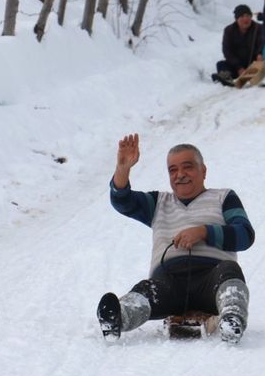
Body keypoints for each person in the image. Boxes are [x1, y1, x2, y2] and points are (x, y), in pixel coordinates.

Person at [97, 134, 255, 344]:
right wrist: (123, 169)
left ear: (203, 171)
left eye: (187, 167)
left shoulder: (223, 197)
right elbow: (122, 201)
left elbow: (245, 235)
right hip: (168, 281)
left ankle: (232, 318)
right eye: (173, 170)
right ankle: (118, 317)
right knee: (147, 289)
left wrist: (204, 232)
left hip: (212, 279)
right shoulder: (158, 202)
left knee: (229, 270)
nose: (180, 174)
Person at [212, 4, 264, 87]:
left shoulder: (259, 28)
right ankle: (226, 77)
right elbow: (227, 51)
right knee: (221, 64)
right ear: (236, 19)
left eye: (247, 16)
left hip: (254, 63)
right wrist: (239, 67)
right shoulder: (229, 30)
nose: (245, 19)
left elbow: (262, 43)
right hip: (237, 65)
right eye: (242, 16)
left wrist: (260, 53)